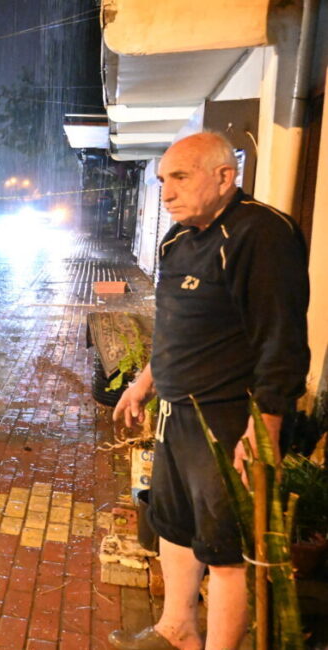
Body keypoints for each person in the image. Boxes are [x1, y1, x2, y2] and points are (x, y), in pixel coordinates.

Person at [110, 132, 309, 650]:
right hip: (176, 414)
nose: (166, 192)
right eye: (162, 181)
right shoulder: (177, 241)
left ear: (226, 177)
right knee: (173, 526)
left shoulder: (260, 235)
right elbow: (176, 328)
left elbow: (282, 342)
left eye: (180, 177)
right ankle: (177, 628)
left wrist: (262, 430)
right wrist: (143, 382)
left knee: (225, 547)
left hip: (228, 421)